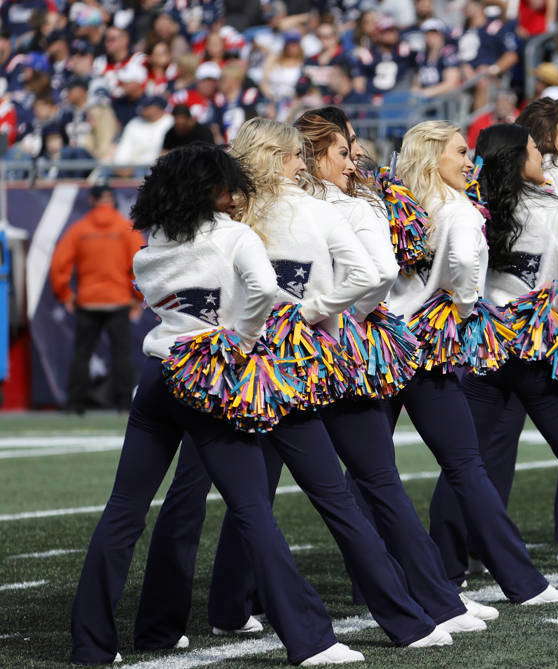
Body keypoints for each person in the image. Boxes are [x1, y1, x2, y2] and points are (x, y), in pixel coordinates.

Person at [131, 118, 453, 652]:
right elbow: (373, 276)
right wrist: (311, 311)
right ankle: (404, 621)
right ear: (277, 157)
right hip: (288, 365)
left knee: (197, 496)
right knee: (330, 496)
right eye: (295, 156)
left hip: (216, 368)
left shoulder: (215, 215)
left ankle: (169, 623)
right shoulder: (307, 210)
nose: (302, 164)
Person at [70, 143, 363, 666]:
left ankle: (91, 645)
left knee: (123, 512)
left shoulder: (149, 248)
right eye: (227, 185)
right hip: (213, 381)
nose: (237, 194)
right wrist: (241, 338)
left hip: (159, 376)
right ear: (208, 189)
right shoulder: (235, 237)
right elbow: (264, 288)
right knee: (253, 511)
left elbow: (168, 305)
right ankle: (311, 641)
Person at [293, 106, 496, 632]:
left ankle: (231, 603)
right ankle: (432, 603)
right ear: (313, 155)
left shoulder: (322, 203)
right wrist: (334, 319)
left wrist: (308, 319)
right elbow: (377, 274)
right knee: (372, 483)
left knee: (261, 492)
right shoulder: (344, 205)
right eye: (345, 147)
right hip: (331, 352)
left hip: (295, 354)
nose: (357, 154)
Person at [388, 120, 558, 606]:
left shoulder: (398, 206)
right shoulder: (461, 211)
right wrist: (462, 309)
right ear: (432, 158)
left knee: (371, 474)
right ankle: (522, 584)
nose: (471, 162)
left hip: (383, 348)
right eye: (461, 152)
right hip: (427, 350)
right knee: (467, 465)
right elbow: (467, 271)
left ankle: (381, 585)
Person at [49, 184, 143, 413]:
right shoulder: (125, 228)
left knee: (82, 354)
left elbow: (59, 264)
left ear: (92, 201)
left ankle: (75, 404)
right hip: (118, 301)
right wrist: (137, 298)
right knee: (122, 355)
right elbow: (140, 263)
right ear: (111, 200)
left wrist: (66, 295)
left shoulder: (79, 229)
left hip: (88, 301)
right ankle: (125, 404)